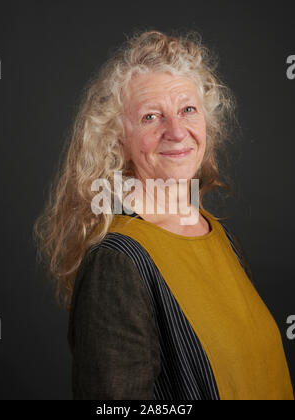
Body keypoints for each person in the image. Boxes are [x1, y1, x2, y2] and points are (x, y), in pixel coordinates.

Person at [33, 29, 294, 400]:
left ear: (207, 123)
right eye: (151, 117)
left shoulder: (217, 234)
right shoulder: (117, 261)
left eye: (188, 110)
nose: (176, 131)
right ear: (117, 139)